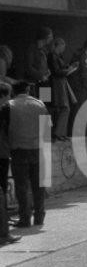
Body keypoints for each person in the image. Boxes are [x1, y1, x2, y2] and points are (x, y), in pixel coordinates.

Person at [0, 80, 50, 227]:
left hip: (18, 150)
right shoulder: (40, 104)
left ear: (14, 92)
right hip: (38, 150)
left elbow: (3, 129)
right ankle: (39, 217)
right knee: (38, 187)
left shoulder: (8, 106)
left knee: (22, 187)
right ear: (28, 90)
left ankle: (25, 218)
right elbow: (47, 129)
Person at [0, 82, 20, 246]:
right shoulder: (4, 112)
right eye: (8, 95)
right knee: (1, 194)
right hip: (2, 155)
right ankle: (4, 233)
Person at [48, 37, 77, 141]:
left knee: (60, 108)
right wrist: (68, 70)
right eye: (62, 47)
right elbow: (56, 71)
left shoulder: (56, 56)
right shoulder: (52, 56)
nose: (63, 49)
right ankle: (57, 133)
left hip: (57, 84)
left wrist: (69, 67)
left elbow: (60, 68)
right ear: (58, 46)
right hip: (55, 84)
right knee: (60, 108)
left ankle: (59, 133)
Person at [25, 26, 53, 92]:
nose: (51, 39)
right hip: (34, 83)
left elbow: (43, 64)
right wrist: (40, 76)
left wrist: (47, 70)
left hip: (45, 82)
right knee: (36, 98)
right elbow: (29, 67)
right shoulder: (32, 49)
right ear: (44, 37)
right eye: (50, 36)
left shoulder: (44, 49)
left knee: (46, 98)